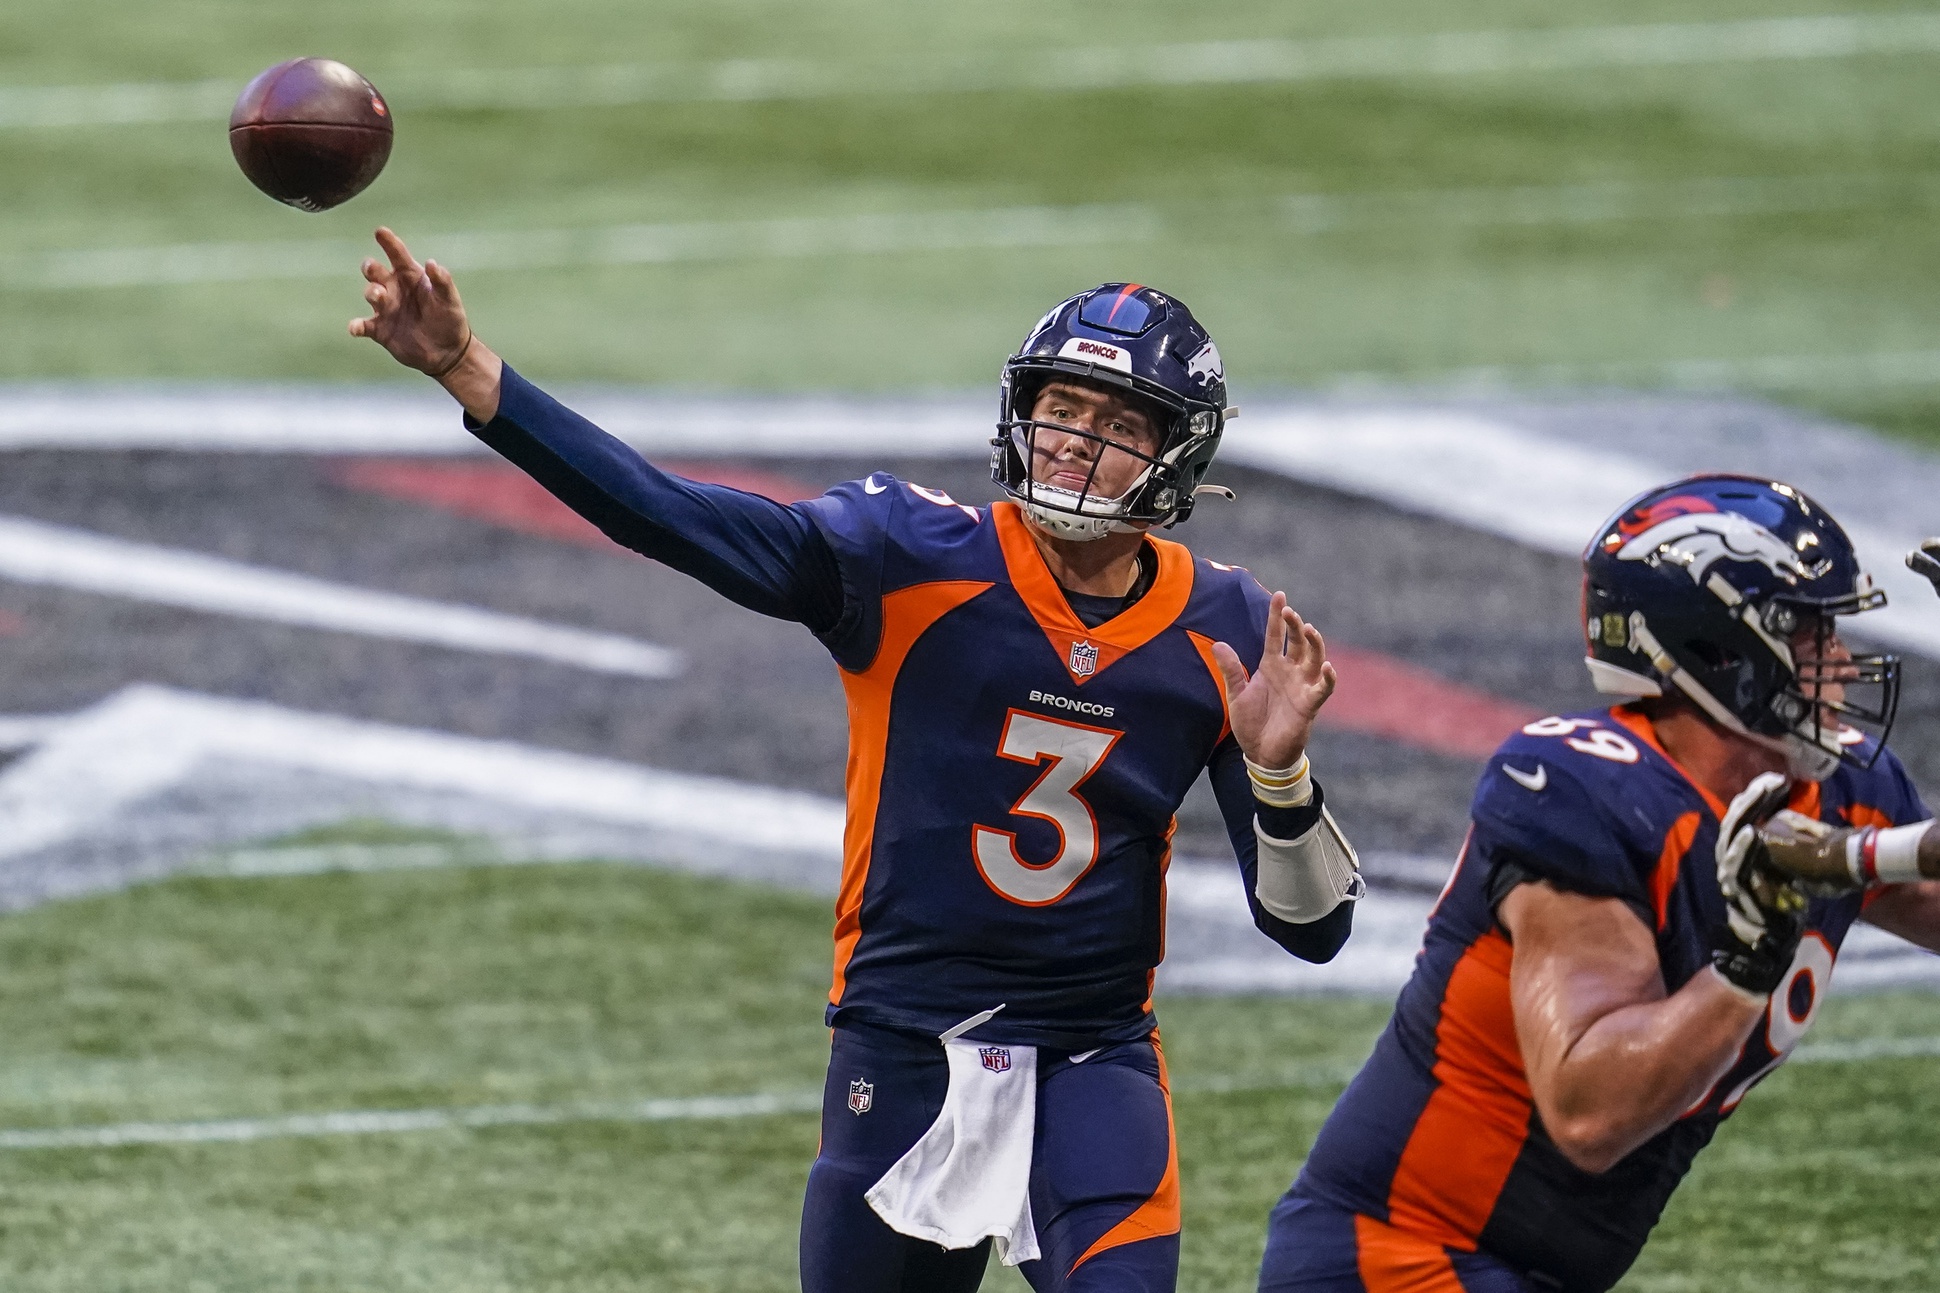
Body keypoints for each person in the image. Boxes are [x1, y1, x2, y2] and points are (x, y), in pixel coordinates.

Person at [347, 229, 1365, 1293]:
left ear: (1177, 454)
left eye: (1115, 425)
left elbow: (1312, 931)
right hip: (902, 1046)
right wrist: (469, 372)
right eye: (1060, 409)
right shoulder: (908, 555)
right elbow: (668, 514)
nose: (1072, 442)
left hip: (1090, 1059)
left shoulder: (1224, 622)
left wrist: (1280, 777)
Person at [1256, 474, 1938, 1293]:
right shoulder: (1585, 787)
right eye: (1807, 631)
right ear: (1714, 649)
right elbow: (1589, 1111)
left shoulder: (1841, 784)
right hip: (1395, 1258)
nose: (1839, 657)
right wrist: (1748, 961)